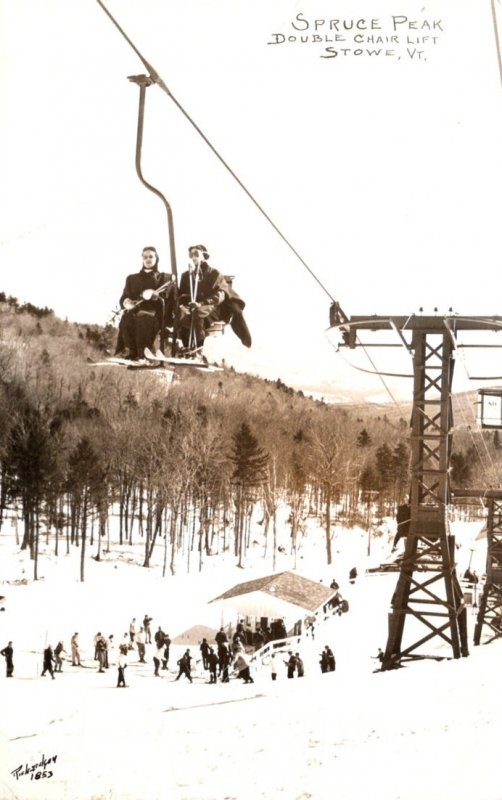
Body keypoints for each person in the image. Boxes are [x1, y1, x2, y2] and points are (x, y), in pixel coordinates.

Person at [177, 244, 251, 351]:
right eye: (191, 255)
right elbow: (181, 295)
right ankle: (186, 347)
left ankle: (198, 348)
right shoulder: (186, 275)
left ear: (204, 256)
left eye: (196, 254)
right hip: (191, 307)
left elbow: (220, 295)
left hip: (212, 308)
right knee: (184, 316)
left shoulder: (215, 274)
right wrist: (183, 305)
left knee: (198, 315)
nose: (193, 257)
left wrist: (202, 303)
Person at [116, 246, 176, 361]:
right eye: (145, 257)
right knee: (127, 317)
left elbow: (171, 299)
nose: (148, 259)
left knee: (143, 317)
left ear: (156, 259)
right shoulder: (132, 279)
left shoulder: (165, 278)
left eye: (151, 257)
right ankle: (130, 351)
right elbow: (124, 296)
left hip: (156, 314)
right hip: (137, 310)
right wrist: (126, 301)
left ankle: (142, 354)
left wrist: (157, 297)